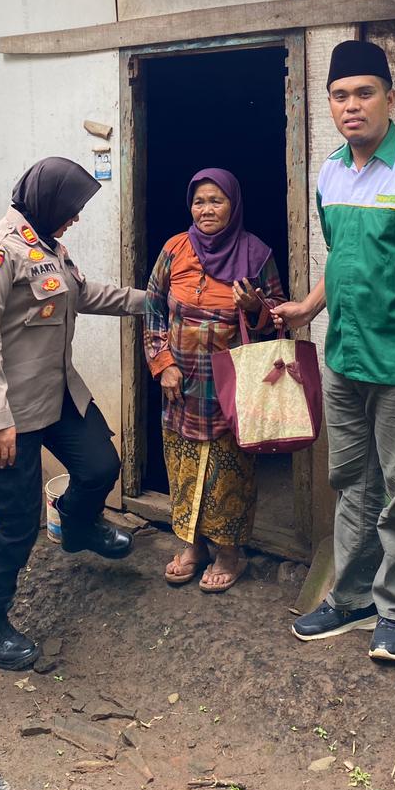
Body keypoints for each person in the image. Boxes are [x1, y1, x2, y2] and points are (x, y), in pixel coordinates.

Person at [275, 40, 395, 663]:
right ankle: (350, 597)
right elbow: (344, 258)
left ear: (389, 96)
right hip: (344, 359)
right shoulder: (331, 171)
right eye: (339, 95)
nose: (350, 106)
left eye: (363, 93)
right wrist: (309, 307)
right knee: (351, 481)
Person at [0, 157, 145, 671]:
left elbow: (83, 295)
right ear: (47, 201)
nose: (76, 219)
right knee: (16, 524)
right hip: (7, 412)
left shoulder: (46, 247)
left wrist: (149, 302)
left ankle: (78, 525)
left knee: (101, 467)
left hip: (57, 394)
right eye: (73, 209)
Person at [144, 169, 285, 592]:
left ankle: (229, 552)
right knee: (184, 462)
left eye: (216, 201)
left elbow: (277, 318)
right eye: (199, 201)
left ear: (234, 205)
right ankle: (193, 544)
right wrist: (162, 362)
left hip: (230, 383)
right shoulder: (174, 249)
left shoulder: (256, 254)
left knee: (229, 467)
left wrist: (255, 305)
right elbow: (153, 308)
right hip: (181, 381)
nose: (206, 210)